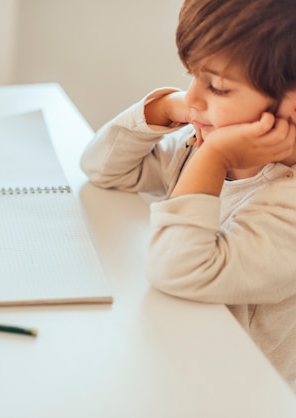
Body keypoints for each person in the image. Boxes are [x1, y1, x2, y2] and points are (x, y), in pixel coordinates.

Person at [81, 0, 296, 393]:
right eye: (192, 76)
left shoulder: (285, 206)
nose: (193, 97)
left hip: (243, 395)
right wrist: (164, 108)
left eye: (216, 86)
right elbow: (103, 168)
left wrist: (215, 157)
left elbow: (178, 268)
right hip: (183, 362)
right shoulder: (197, 145)